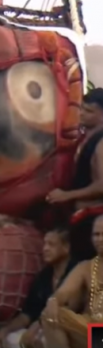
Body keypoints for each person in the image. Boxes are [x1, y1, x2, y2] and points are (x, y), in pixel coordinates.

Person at [0, 228, 77, 348]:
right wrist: (6, 330)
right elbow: (28, 314)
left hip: (67, 332)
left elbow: (68, 311)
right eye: (45, 244)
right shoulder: (43, 276)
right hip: (40, 331)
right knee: (9, 339)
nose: (45, 249)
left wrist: (38, 327)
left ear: (66, 247)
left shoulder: (78, 272)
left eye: (51, 245)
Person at [47, 88, 103, 260]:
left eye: (89, 111)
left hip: (93, 219)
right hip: (80, 218)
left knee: (90, 274)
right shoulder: (84, 138)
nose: (82, 114)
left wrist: (67, 195)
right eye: (82, 108)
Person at [41, 215, 103, 348]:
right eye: (96, 234)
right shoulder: (86, 267)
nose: (100, 239)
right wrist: (54, 300)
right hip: (91, 330)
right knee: (50, 315)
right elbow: (65, 291)